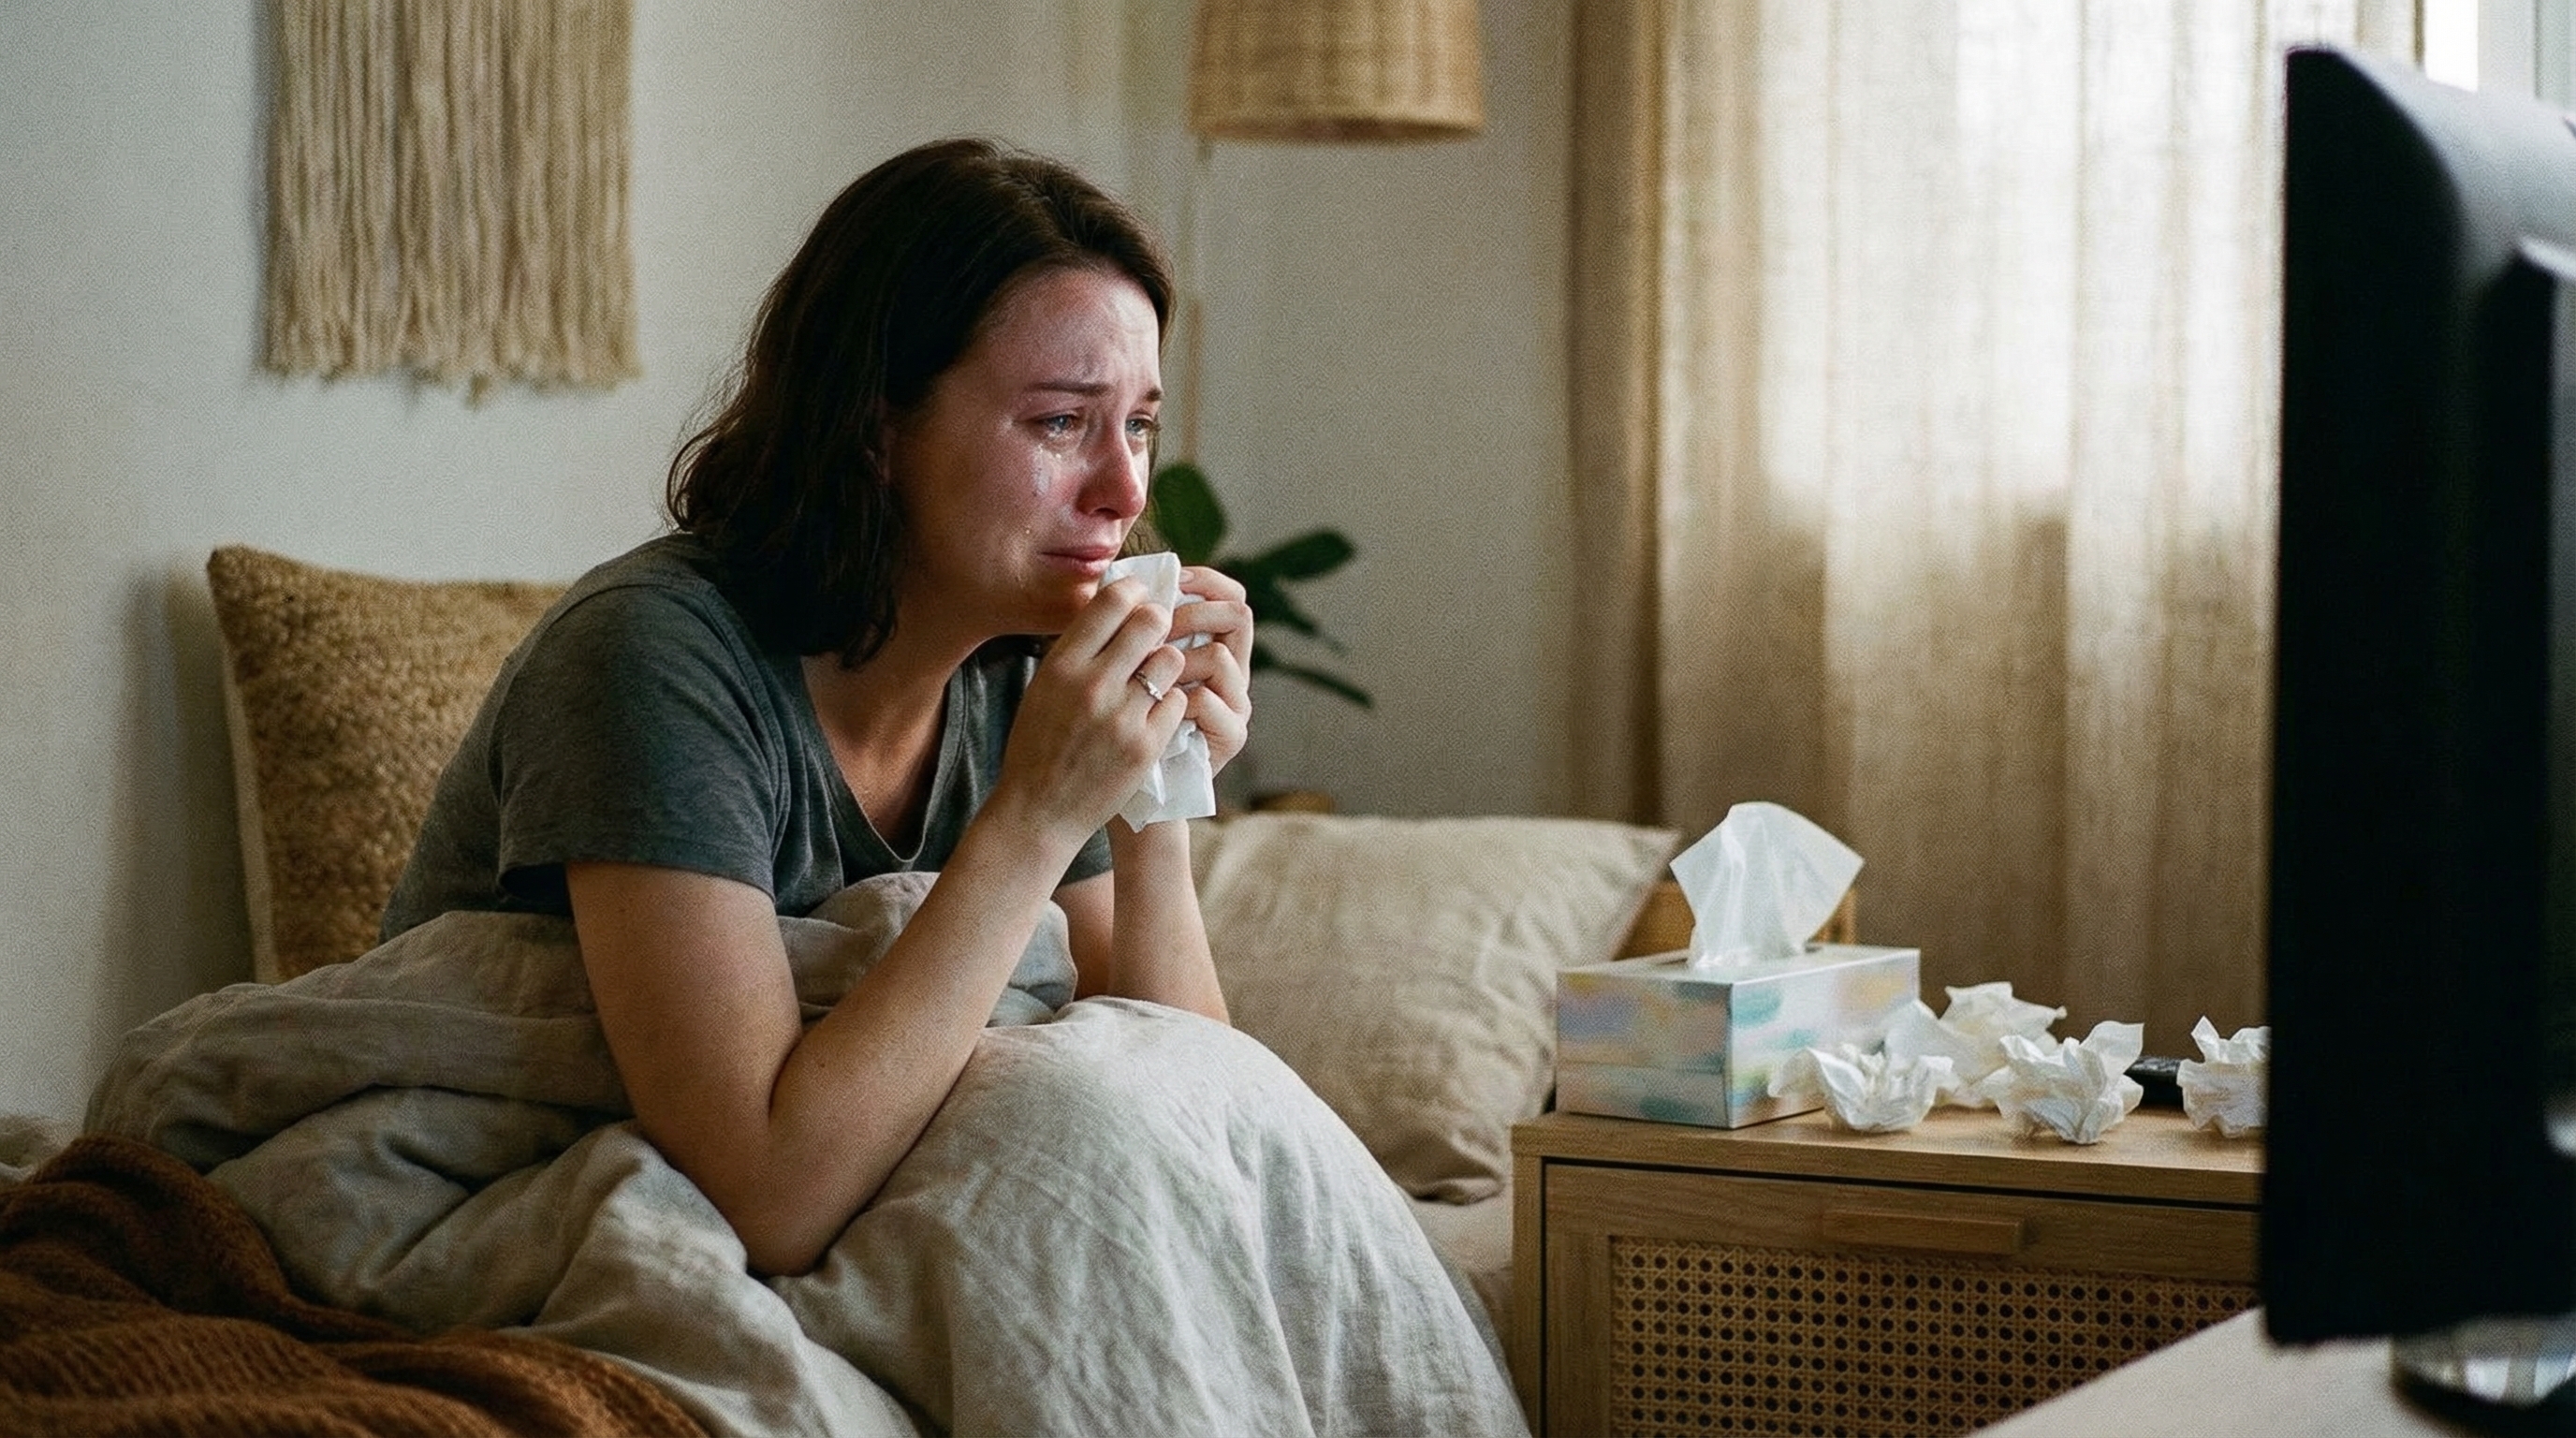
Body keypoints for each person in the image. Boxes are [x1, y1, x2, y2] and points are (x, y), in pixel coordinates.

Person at [379, 139, 1528, 1433]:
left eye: (1140, 425)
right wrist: (1036, 814)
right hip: (511, 1177)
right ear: (878, 430)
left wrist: (1155, 789)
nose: (1125, 490)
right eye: (1061, 423)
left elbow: (1192, 1088)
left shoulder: (1017, 664)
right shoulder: (651, 658)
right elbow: (768, 1191)